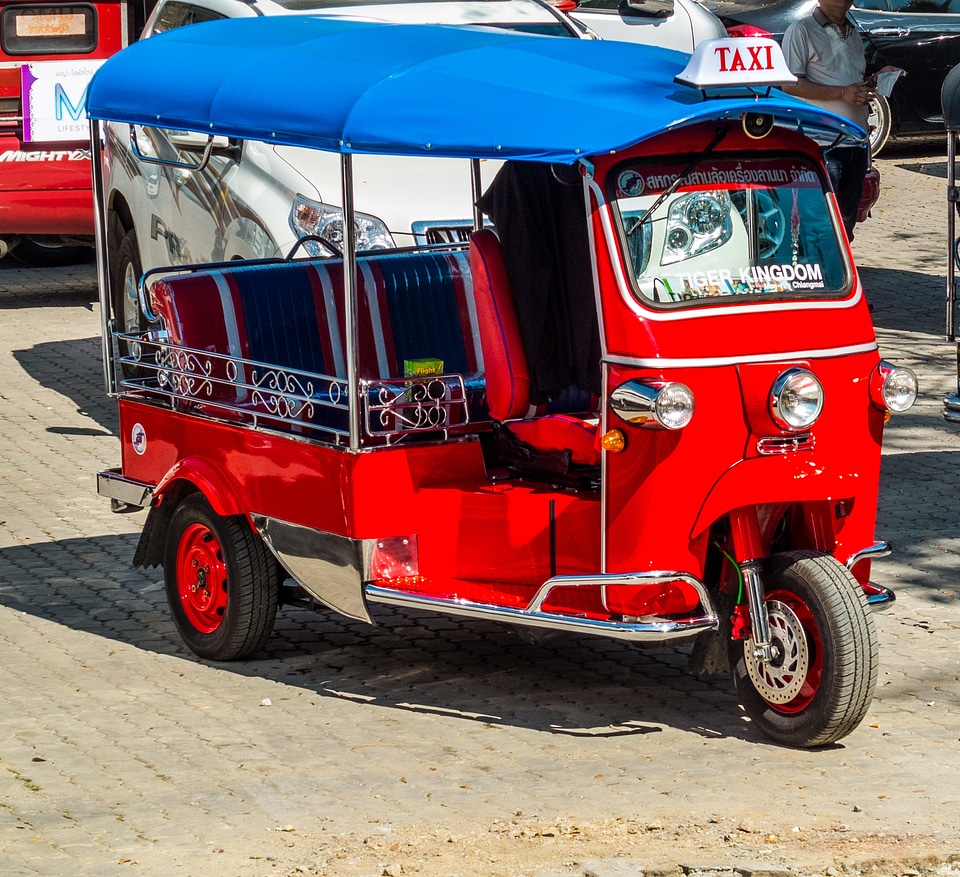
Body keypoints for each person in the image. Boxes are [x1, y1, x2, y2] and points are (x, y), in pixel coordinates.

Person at [781, 0, 901, 239]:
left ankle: (839, 274)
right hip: (823, 145)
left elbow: (850, 81)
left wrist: (874, 80)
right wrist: (842, 93)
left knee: (845, 224)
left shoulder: (854, 34)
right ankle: (821, 272)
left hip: (856, 142)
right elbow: (790, 84)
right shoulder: (801, 30)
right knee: (820, 222)